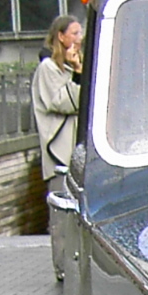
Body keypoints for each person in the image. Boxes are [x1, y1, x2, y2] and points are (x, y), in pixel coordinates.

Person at [33, 14, 84, 183]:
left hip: (77, 149)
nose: (79, 38)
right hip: (59, 149)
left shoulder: (74, 64)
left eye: (80, 33)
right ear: (61, 36)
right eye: (74, 33)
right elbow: (65, 103)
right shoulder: (48, 67)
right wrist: (77, 72)